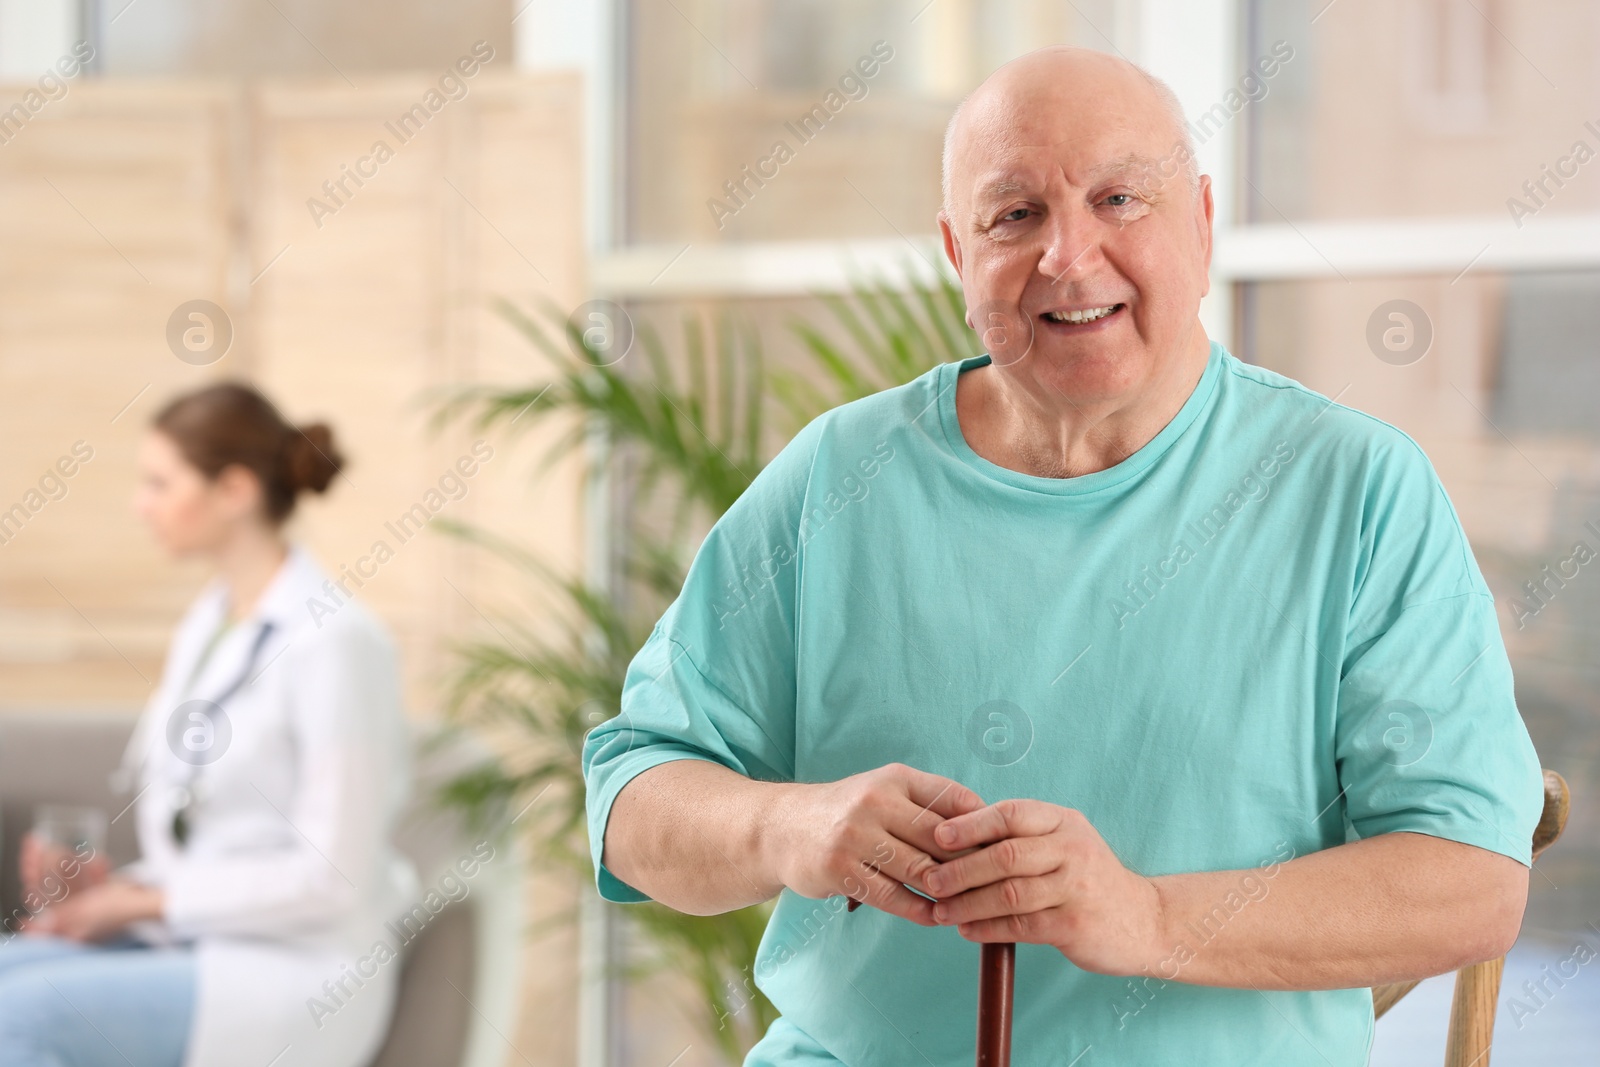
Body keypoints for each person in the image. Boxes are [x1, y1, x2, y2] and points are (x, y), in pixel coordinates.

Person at [583, 46, 1545, 1066]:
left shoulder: (1354, 489)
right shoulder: (840, 477)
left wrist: (1147, 915)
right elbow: (630, 800)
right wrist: (788, 825)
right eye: (1015, 215)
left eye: (1120, 198)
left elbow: (1471, 877)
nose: (1068, 257)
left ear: (1203, 224)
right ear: (958, 255)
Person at [0, 383, 419, 1067]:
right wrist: (111, 889)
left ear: (234, 489)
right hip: (201, 939)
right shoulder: (212, 621)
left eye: (159, 483)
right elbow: (206, 830)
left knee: (19, 1016)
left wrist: (148, 901)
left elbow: (331, 876)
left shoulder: (338, 641)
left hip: (292, 972)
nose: (141, 506)